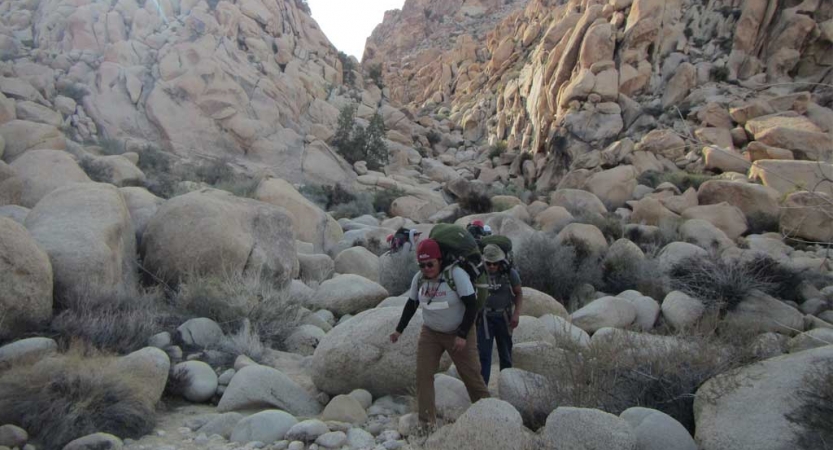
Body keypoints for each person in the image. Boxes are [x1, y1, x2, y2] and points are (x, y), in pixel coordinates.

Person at [389, 239, 490, 424]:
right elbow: (411, 304)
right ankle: (426, 422)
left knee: (472, 377)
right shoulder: (419, 279)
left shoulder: (456, 275)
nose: (426, 268)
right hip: (431, 333)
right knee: (423, 375)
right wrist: (398, 330)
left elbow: (471, 305)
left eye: (430, 264)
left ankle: (489, 417)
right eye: (422, 265)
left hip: (459, 331)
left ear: (439, 260)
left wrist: (461, 334)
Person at [476, 244, 523, 385]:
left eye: (494, 263)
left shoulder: (509, 273)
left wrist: (516, 314)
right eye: (489, 263)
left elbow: (519, 293)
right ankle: (482, 390)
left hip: (504, 318)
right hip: (484, 318)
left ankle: (508, 387)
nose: (491, 267)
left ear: (500, 261)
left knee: (506, 354)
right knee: (483, 355)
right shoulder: (478, 272)